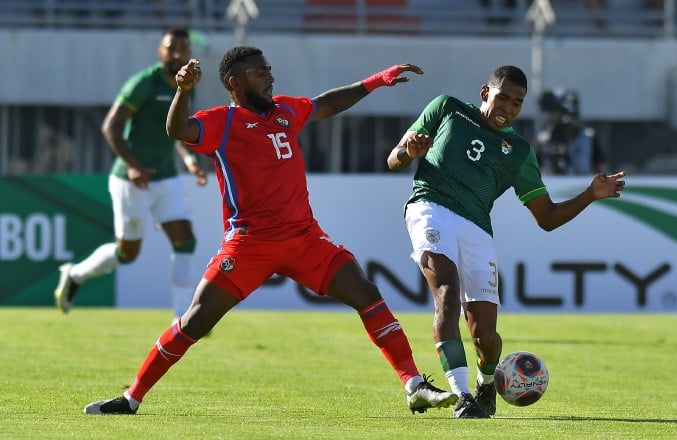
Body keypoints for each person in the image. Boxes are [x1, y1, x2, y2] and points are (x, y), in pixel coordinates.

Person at [83, 46, 458, 416]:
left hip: (304, 239)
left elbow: (325, 103)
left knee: (366, 293)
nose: (270, 77)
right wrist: (182, 90)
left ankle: (414, 385)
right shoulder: (222, 122)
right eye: (260, 72)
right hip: (249, 244)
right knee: (195, 321)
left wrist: (375, 81)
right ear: (235, 82)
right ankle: (131, 398)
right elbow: (176, 128)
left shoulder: (285, 111)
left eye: (269, 70)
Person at [386, 65, 626, 418]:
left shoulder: (518, 150)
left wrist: (589, 195)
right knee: (447, 296)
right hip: (430, 206)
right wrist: (409, 151)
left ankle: (486, 385)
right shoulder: (448, 107)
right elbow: (393, 159)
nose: (508, 108)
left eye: (517, 103)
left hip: (477, 227)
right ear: (486, 93)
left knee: (484, 333)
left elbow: (546, 218)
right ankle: (462, 393)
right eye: (503, 98)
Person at [54, 27, 208, 322]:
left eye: (183, 48)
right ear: (159, 52)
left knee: (185, 239)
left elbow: (176, 131)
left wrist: (188, 160)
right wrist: (134, 165)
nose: (177, 54)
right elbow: (110, 127)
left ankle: (183, 319)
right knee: (128, 254)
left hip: (165, 176)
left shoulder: (187, 85)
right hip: (131, 179)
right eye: (171, 48)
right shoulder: (144, 83)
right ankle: (75, 275)